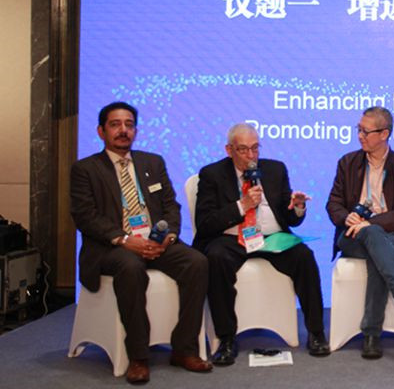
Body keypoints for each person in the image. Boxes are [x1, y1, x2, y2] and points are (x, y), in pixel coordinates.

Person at [69, 102, 212, 384]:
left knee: (197, 262)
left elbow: (170, 206)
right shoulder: (85, 169)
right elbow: (85, 217)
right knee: (131, 268)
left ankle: (184, 349)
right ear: (101, 131)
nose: (123, 130)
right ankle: (138, 356)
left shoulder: (152, 163)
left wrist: (168, 236)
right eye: (115, 124)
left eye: (129, 124)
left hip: (156, 241)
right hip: (112, 247)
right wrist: (124, 240)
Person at [193, 123, 330, 365]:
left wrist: (298, 207)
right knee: (216, 258)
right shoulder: (211, 174)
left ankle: (316, 333)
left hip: (271, 236)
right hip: (232, 239)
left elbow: (289, 219)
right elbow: (205, 223)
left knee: (304, 257)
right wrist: (242, 206)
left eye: (255, 148)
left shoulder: (275, 169)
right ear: (229, 150)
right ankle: (226, 338)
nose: (251, 156)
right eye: (243, 149)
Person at [326, 106, 394, 359]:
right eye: (358, 130)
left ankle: (371, 334)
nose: (360, 136)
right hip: (352, 235)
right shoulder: (347, 163)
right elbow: (333, 203)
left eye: (365, 131)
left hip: (392, 235)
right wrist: (346, 217)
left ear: (384, 134)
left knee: (376, 247)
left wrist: (372, 224)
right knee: (373, 240)